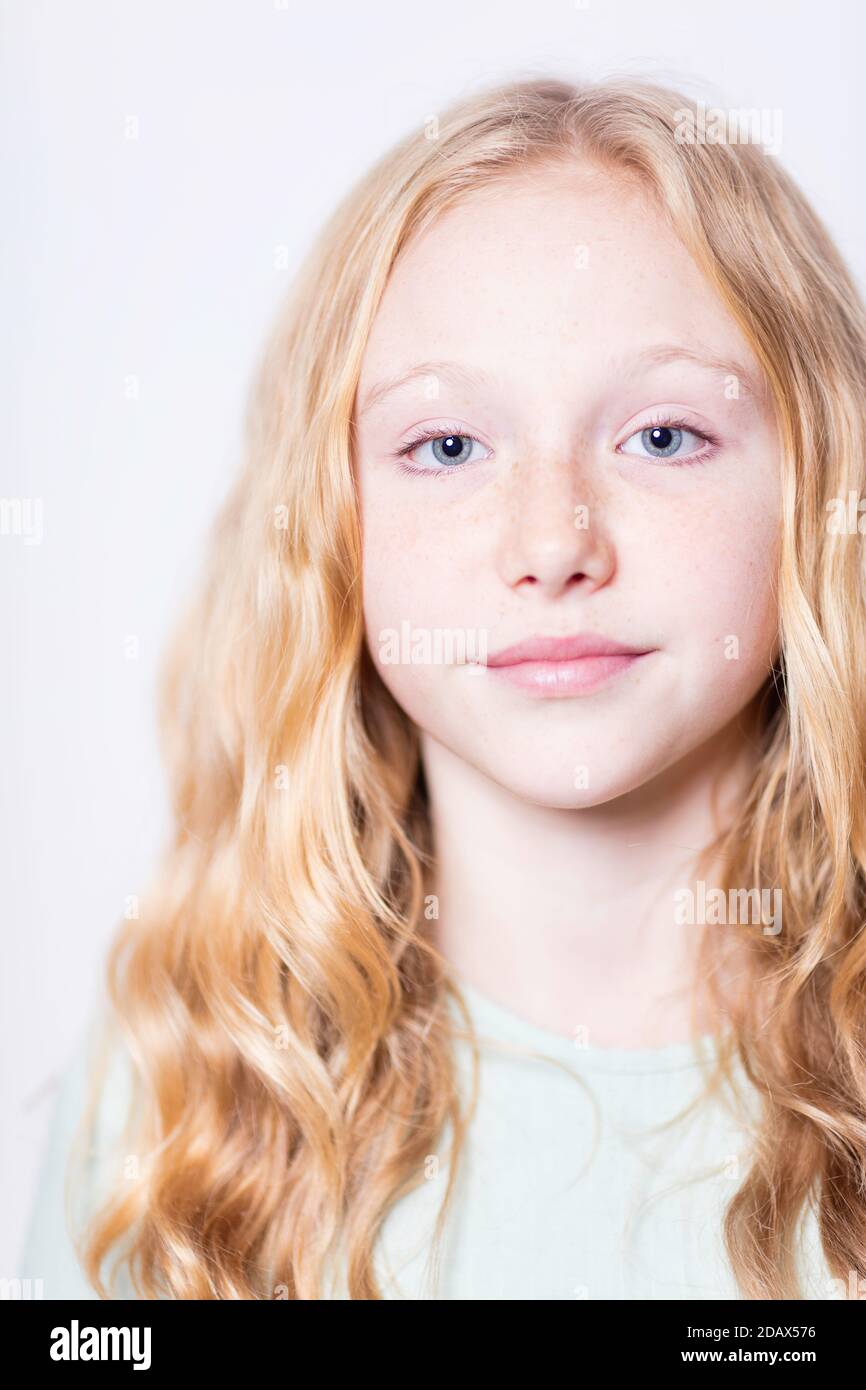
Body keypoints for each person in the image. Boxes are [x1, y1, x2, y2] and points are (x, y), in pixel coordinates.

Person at [19, 74, 866, 1300]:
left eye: (662, 436)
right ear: (331, 520)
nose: (552, 542)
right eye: (448, 446)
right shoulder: (180, 1082)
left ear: (816, 485)